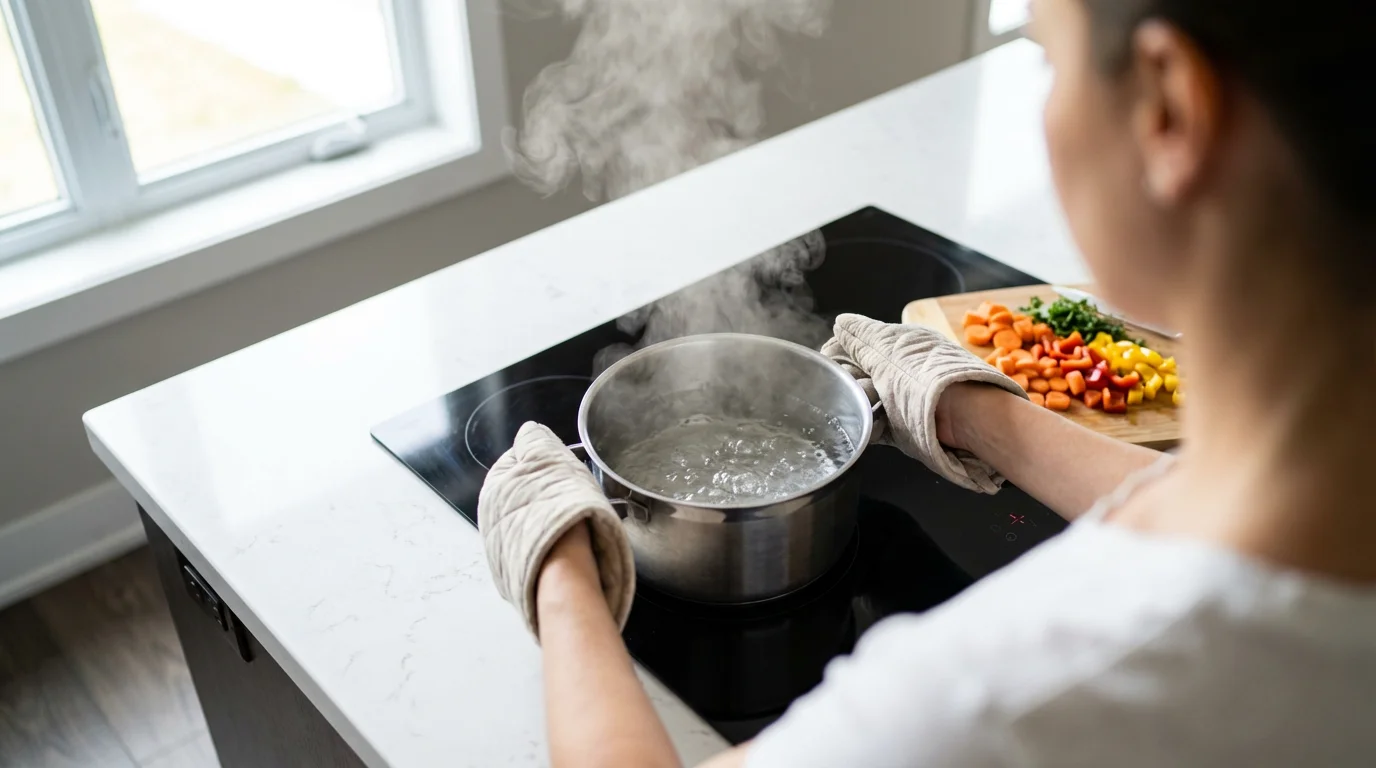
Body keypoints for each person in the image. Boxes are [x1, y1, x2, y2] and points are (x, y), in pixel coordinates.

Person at [476, 0, 1376, 765]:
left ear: (1168, 111)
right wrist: (974, 413)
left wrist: (561, 565)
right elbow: (1201, 508)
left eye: (1045, 62)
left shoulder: (991, 702)